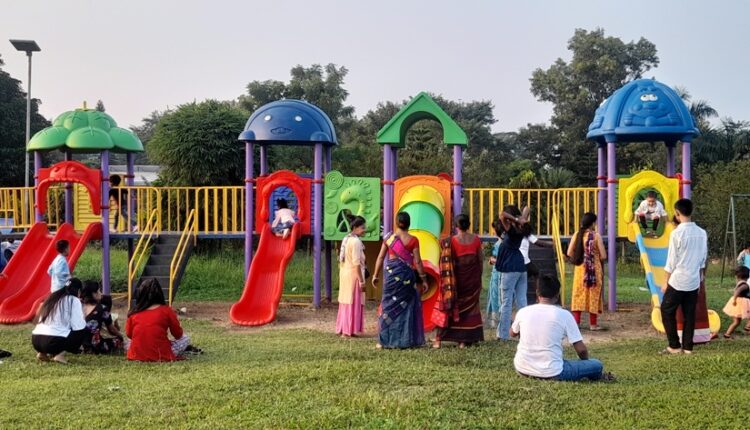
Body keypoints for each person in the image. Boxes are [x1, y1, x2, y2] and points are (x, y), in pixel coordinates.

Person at [511, 275, 612, 381]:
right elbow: (581, 350)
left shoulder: (523, 311)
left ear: (537, 293)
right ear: (557, 295)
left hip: (522, 368)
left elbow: (512, 333)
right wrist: (585, 362)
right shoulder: (564, 315)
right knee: (596, 364)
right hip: (553, 372)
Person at [372, 212, 427, 349]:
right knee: (407, 306)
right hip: (407, 277)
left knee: (388, 305)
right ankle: (405, 340)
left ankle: (383, 341)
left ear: (396, 223)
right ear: (409, 224)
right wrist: (424, 279)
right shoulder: (413, 240)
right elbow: (418, 261)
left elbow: (380, 257)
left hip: (391, 276)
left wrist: (375, 275)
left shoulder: (389, 238)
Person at [661, 198, 707, 355]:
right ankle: (687, 347)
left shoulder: (676, 233)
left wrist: (665, 281)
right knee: (689, 314)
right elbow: (703, 260)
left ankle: (674, 346)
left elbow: (671, 261)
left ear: (677, 213)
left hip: (678, 280)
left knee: (666, 310)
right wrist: (701, 280)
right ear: (691, 212)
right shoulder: (702, 233)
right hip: (694, 280)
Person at [433, 214, 484, 348]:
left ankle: (439, 339)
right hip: (472, 281)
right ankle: (464, 340)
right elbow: (480, 260)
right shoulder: (476, 240)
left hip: (456, 282)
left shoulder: (451, 241)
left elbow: (447, 263)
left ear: (456, 226)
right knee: (470, 309)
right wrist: (479, 277)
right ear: (469, 224)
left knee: (449, 306)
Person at [125, 278, 191, 362]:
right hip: (162, 353)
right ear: (160, 294)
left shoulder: (134, 312)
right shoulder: (167, 310)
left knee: (129, 342)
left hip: (136, 354)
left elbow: (129, 334)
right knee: (186, 338)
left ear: (140, 294)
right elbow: (178, 334)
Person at [495, 205, 531, 341]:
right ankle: (525, 333)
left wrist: (516, 219)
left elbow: (502, 214)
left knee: (506, 302)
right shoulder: (522, 227)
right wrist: (521, 218)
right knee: (522, 302)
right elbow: (527, 208)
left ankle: (503, 335)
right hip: (521, 266)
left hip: (510, 267)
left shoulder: (511, 228)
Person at [567, 213, 607, 330]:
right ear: (593, 223)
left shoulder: (577, 234)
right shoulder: (596, 236)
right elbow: (603, 255)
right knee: (593, 294)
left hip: (580, 269)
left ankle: (577, 323)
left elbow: (569, 253)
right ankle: (593, 324)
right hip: (594, 269)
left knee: (578, 293)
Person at [31, 278, 86, 364]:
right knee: (82, 330)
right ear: (79, 291)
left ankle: (42, 353)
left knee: (57, 330)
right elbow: (78, 325)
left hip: (36, 340)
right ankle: (59, 355)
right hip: (53, 342)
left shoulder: (51, 298)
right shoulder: (74, 300)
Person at [336, 216, 367, 337]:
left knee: (346, 302)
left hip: (345, 274)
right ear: (355, 228)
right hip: (354, 277)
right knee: (352, 302)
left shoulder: (347, 239)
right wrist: (361, 281)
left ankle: (345, 329)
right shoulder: (356, 242)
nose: (365, 230)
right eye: (362, 227)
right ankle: (349, 330)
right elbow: (356, 263)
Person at [80, 281, 124, 354]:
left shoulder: (78, 306)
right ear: (93, 294)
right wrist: (120, 336)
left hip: (78, 344)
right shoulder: (102, 308)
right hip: (95, 345)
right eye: (99, 291)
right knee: (118, 340)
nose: (101, 293)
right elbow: (111, 329)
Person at [721, 266, 750, 338]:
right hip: (740, 304)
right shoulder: (744, 285)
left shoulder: (739, 282)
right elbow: (737, 291)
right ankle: (748, 327)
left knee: (736, 322)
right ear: (747, 276)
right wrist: (734, 299)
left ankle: (727, 334)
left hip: (738, 304)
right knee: (737, 322)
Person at [486, 220, 502, 328]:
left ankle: (495, 321)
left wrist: (492, 260)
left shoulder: (499, 244)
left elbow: (500, 259)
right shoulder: (506, 242)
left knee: (496, 295)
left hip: (498, 272)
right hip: (502, 272)